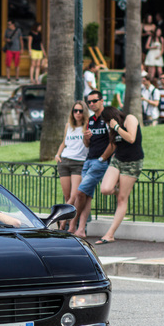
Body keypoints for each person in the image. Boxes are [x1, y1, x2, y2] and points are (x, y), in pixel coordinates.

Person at [95, 107, 144, 245]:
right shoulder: (112, 129)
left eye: (106, 121)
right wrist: (101, 158)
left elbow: (131, 138)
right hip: (118, 160)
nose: (105, 124)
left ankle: (110, 234)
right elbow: (113, 145)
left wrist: (116, 127)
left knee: (122, 200)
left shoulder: (130, 119)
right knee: (105, 189)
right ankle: (121, 192)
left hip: (132, 163)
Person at [71, 90, 115, 239]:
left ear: (102, 101)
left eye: (94, 101)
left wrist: (102, 159)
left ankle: (72, 225)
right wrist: (86, 138)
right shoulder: (90, 120)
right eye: (89, 102)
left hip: (99, 162)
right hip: (89, 160)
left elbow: (113, 142)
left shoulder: (108, 118)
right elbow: (87, 144)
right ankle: (81, 229)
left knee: (80, 192)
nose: (91, 104)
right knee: (87, 195)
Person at [54, 100, 89, 232]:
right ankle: (66, 225)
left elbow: (88, 145)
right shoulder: (68, 125)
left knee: (74, 196)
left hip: (79, 162)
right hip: (64, 161)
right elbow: (64, 142)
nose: (78, 113)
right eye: (75, 111)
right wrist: (57, 154)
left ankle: (60, 220)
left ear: (84, 112)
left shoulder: (87, 126)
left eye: (80, 111)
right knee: (68, 196)